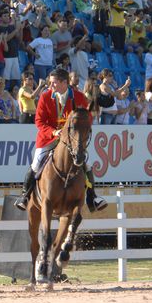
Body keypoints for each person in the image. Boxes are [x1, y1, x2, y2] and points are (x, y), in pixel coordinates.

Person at [14, 68, 108, 213]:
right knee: (36, 163)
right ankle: (25, 196)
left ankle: (93, 197)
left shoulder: (78, 97)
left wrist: (81, 127)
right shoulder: (45, 97)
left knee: (87, 164)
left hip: (71, 140)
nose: (50, 86)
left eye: (53, 83)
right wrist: (54, 132)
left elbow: (87, 116)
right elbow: (39, 121)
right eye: (50, 83)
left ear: (64, 82)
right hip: (48, 138)